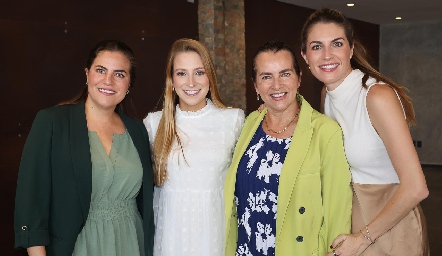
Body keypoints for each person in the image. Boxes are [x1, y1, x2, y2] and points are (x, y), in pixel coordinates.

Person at [300, 8, 429, 256]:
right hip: (353, 220)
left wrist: (362, 239)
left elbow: (416, 187)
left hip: (391, 225)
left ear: (350, 49)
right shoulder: (328, 95)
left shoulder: (377, 96)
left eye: (336, 44)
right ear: (305, 56)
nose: (327, 55)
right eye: (316, 47)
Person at [14, 40, 154, 256]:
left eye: (119, 74)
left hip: (130, 242)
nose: (108, 80)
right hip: (76, 245)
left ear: (129, 84)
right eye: (100, 70)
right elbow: (31, 201)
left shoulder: (138, 131)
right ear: (87, 74)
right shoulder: (52, 122)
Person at [224, 41, 352, 256]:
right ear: (255, 85)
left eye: (285, 74)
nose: (276, 85)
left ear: (299, 78)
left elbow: (337, 210)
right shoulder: (250, 123)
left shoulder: (324, 132)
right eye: (266, 77)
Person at [143, 38, 244, 256]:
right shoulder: (153, 124)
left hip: (215, 237)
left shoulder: (233, 120)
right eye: (181, 73)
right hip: (169, 239)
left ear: (210, 77)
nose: (191, 82)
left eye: (199, 72)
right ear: (171, 79)